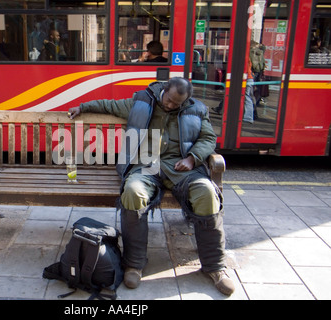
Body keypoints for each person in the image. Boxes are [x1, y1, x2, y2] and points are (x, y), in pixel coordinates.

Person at [68, 77, 235, 295]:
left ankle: (215, 267)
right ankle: (134, 264)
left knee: (207, 193)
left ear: (186, 101)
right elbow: (109, 105)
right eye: (169, 100)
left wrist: (193, 158)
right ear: (164, 90)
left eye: (177, 104)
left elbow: (208, 138)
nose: (170, 105)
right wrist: (82, 107)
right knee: (132, 191)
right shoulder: (142, 102)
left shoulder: (197, 110)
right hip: (146, 165)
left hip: (181, 168)